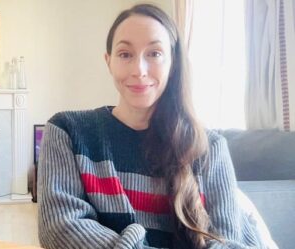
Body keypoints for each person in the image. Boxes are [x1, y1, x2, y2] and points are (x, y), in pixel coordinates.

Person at [38, 4, 271, 249]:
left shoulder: (210, 148)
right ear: (109, 61)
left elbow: (226, 241)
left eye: (155, 53)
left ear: (172, 64)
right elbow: (60, 229)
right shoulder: (67, 131)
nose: (139, 70)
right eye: (125, 54)